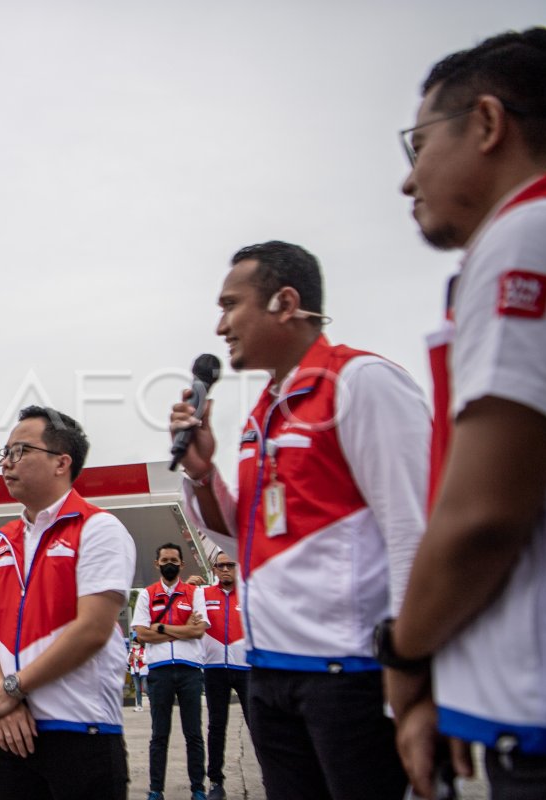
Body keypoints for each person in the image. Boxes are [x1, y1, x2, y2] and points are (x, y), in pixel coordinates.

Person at [389, 28, 546, 800]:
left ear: (486, 123)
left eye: (418, 146)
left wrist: (404, 656)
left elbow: (482, 516)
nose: (409, 183)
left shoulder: (536, 233)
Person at [171, 242, 431, 800]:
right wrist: (200, 474)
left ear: (285, 303)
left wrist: (414, 680)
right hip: (271, 673)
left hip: (352, 676)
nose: (220, 326)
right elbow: (245, 539)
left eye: (231, 305)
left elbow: (415, 534)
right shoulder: (266, 408)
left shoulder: (363, 382)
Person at [0, 405, 137, 800]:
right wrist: (3, 701)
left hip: (82, 730)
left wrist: (11, 688)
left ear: (61, 462)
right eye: (4, 453)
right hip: (12, 732)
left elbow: (93, 629)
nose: (6, 463)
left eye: (20, 451)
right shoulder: (1, 545)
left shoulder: (99, 529)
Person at [131, 542, 209, 800]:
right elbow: (141, 633)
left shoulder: (193, 593)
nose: (169, 564)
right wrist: (180, 630)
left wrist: (161, 628)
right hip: (159, 672)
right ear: (157, 563)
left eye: (174, 560)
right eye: (164, 560)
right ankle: (156, 790)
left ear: (182, 563)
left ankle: (198, 787)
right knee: (159, 734)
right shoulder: (147, 594)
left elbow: (198, 630)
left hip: (189, 671)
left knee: (193, 733)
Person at [201, 552, 250, 800]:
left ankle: (269, 775)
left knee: (258, 726)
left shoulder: (249, 592)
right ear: (215, 569)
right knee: (216, 726)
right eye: (221, 566)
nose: (225, 569)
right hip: (215, 669)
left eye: (230, 565)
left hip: (246, 669)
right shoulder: (204, 594)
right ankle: (215, 782)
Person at [128, 642, 147, 711]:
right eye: (133, 644)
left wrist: (138, 657)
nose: (135, 645)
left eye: (136, 643)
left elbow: (146, 660)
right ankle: (139, 705)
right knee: (137, 689)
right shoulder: (131, 651)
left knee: (145, 688)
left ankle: (153, 699)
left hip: (143, 671)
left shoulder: (144, 650)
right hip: (135, 672)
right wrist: (130, 657)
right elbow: (128, 661)